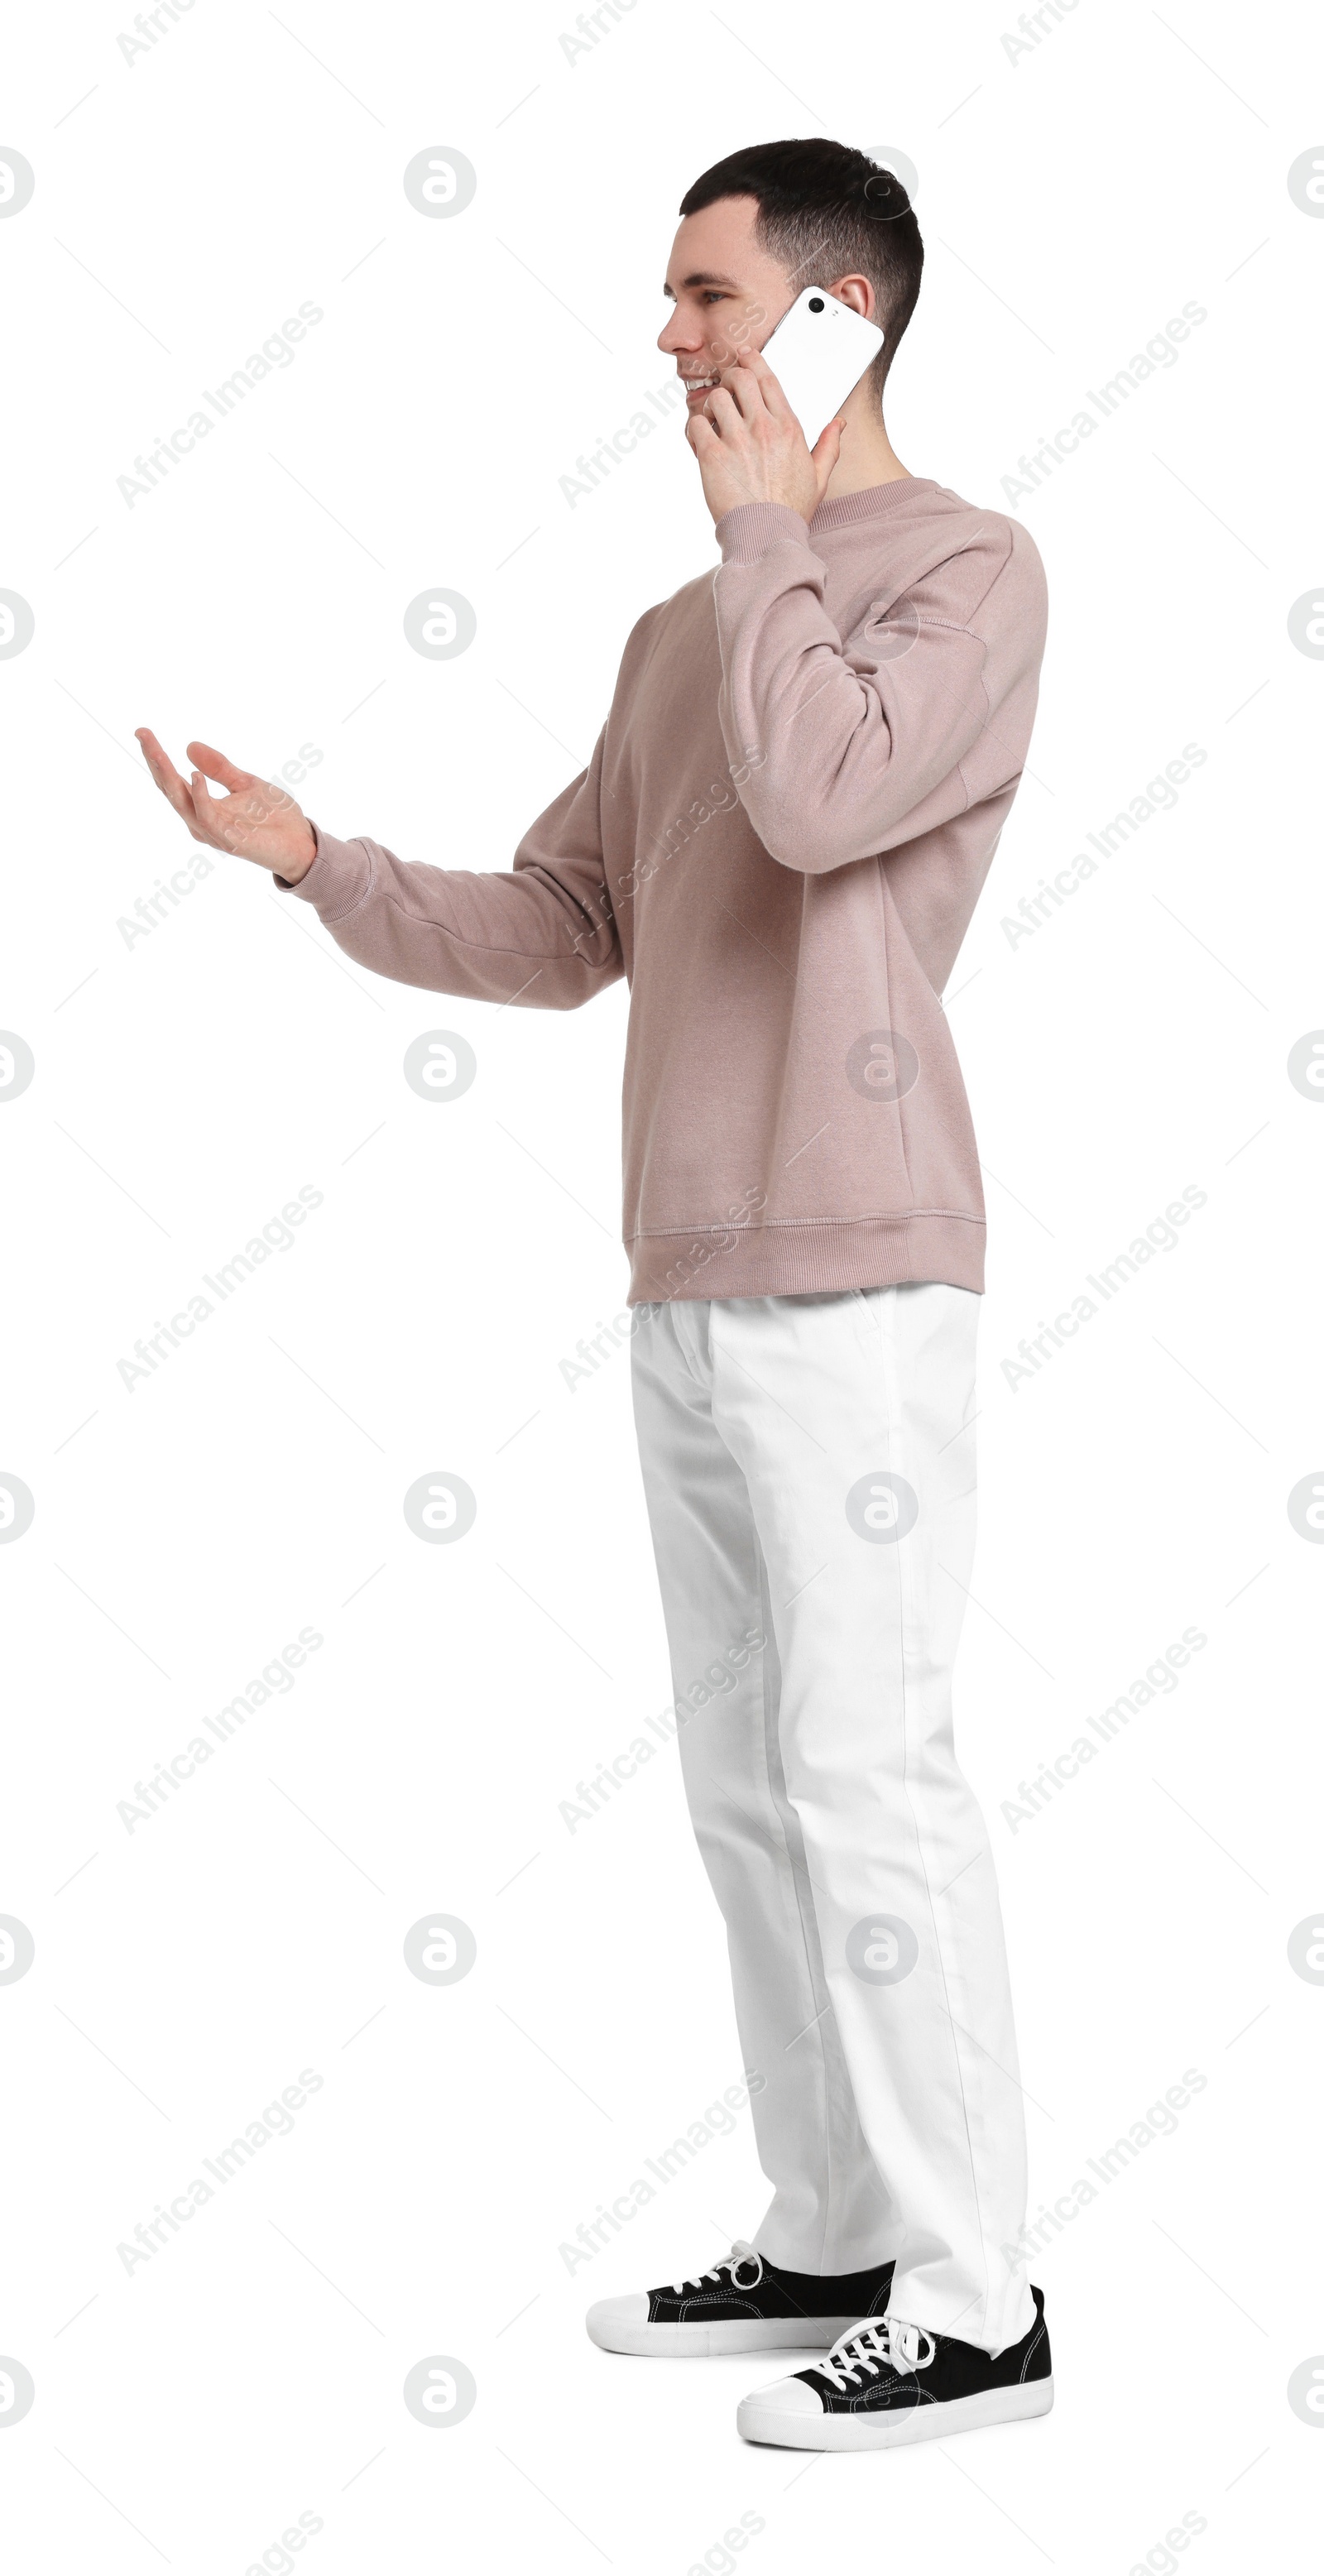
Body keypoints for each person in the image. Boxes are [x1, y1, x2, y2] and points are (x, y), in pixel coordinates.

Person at [136, 137, 1053, 2454]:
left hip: (864, 1272)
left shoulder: (967, 573)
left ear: (841, 315)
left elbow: (832, 795)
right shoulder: (677, 635)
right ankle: (838, 2223)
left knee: (871, 1772)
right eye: (665, 299)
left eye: (707, 295)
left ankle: (978, 2297)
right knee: (754, 1787)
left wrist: (770, 540)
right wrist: (318, 862)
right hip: (683, 1279)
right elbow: (568, 925)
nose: (669, 339)